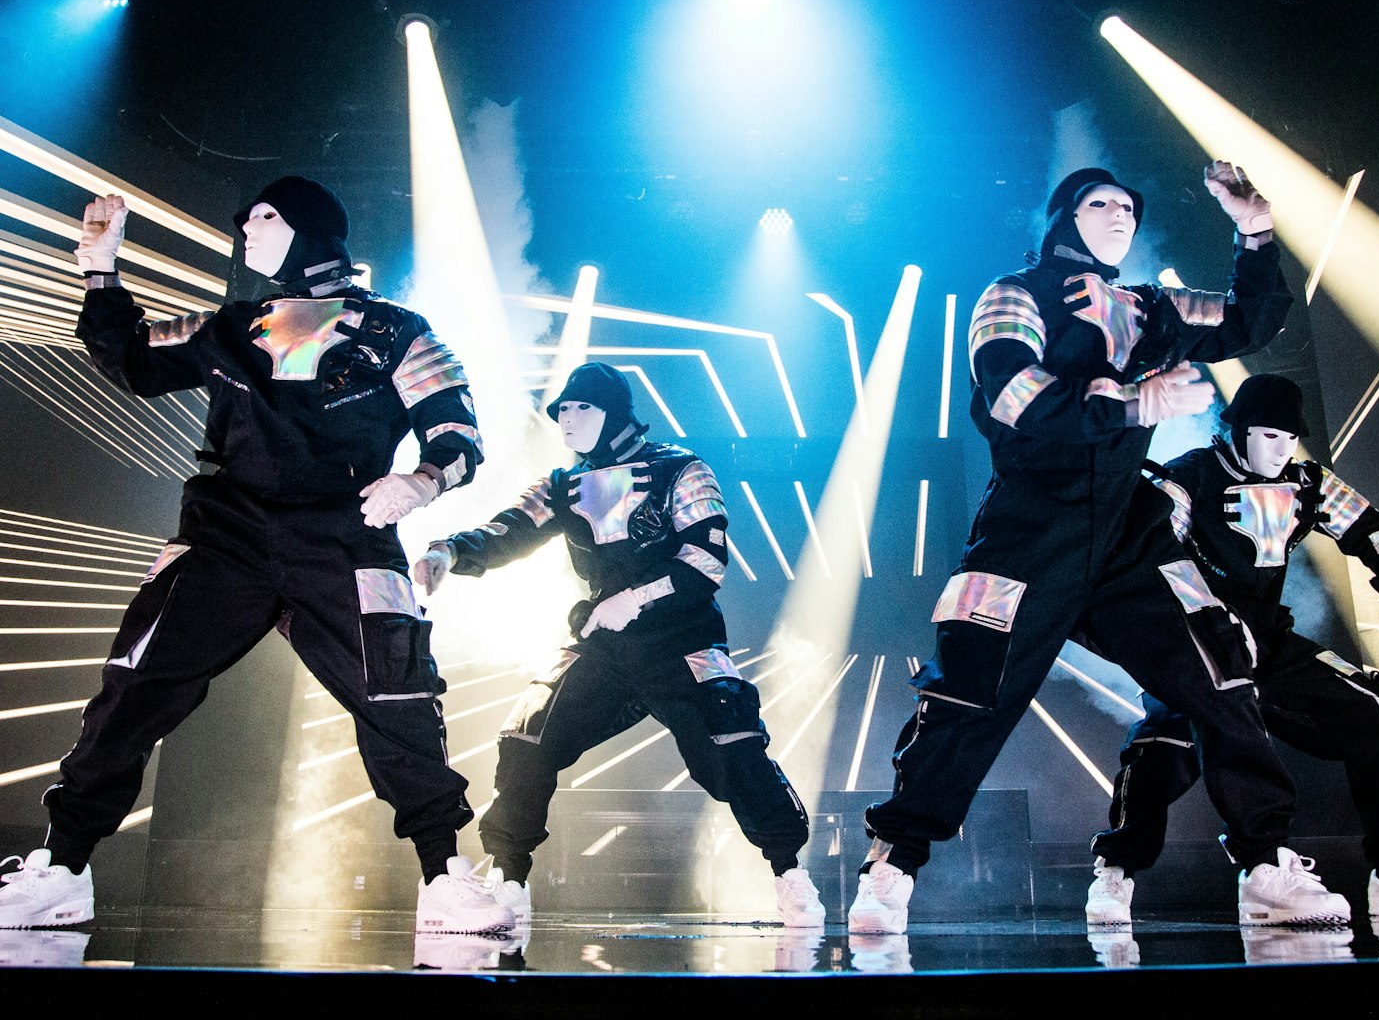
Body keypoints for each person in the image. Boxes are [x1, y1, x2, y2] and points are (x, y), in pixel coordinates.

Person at [848, 161, 1352, 934]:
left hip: (1128, 533)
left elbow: (1254, 320)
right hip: (1028, 528)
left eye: (1128, 205)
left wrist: (1255, 231)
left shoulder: (1150, 308)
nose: (1120, 215)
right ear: (1063, 218)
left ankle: (1264, 863)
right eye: (1100, 203)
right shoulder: (1013, 294)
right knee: (971, 690)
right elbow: (1011, 397)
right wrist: (1133, 400)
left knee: (1218, 669)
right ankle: (892, 864)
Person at [0, 181, 510, 936]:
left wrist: (421, 480)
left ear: (311, 230)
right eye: (244, 215)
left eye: (265, 215)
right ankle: (63, 868)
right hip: (226, 536)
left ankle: (445, 875)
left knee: (396, 697)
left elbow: (458, 435)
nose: (244, 224)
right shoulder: (231, 326)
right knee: (134, 685)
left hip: (343, 537)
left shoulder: (398, 331)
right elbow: (133, 361)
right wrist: (100, 269)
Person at [411, 362, 825, 928]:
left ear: (614, 411)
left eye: (581, 407)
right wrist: (450, 552)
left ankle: (790, 874)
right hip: (604, 645)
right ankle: (508, 879)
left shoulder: (681, 469)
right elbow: (510, 528)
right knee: (528, 735)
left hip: (682, 639)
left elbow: (705, 559)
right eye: (561, 410)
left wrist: (636, 598)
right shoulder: (563, 484)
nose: (567, 419)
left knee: (729, 746)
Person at [1085, 373, 1379, 923]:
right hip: (1199, 651)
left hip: (1269, 642)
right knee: (1160, 754)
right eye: (1269, 436)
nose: (1282, 449)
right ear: (1238, 431)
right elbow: (1155, 555)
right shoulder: (1186, 479)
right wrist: (1212, 618)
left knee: (1378, 712)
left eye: (1291, 438)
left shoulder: (1307, 481)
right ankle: (1128, 873)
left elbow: (1374, 529)